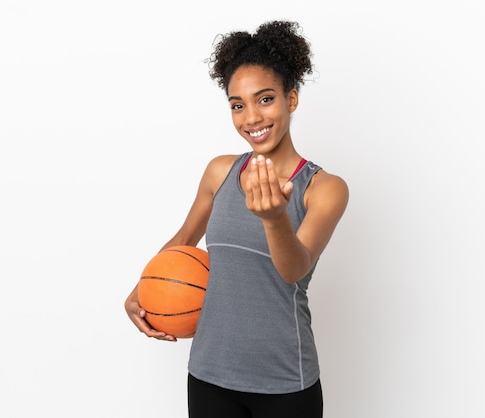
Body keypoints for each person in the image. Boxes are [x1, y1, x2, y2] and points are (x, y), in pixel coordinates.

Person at [125, 20, 349, 418]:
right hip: (209, 375)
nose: (251, 118)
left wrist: (275, 218)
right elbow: (182, 243)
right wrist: (144, 292)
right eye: (237, 104)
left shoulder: (324, 188)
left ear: (291, 99)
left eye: (265, 99)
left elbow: (295, 269)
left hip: (284, 383)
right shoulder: (220, 172)